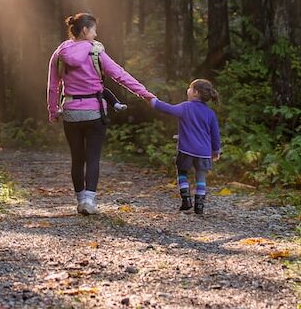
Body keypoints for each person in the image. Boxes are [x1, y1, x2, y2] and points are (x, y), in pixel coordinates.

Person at [47, 12, 156, 215]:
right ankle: (89, 200)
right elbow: (120, 75)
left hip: (71, 112)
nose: (96, 34)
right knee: (93, 157)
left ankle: (80, 201)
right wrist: (145, 94)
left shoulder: (60, 53)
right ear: (86, 30)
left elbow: (53, 86)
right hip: (94, 113)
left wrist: (53, 110)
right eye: (94, 30)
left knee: (77, 158)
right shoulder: (96, 52)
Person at [146, 79, 221, 216]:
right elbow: (215, 135)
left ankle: (186, 199)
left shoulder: (186, 107)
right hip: (203, 152)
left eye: (189, 88)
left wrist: (152, 101)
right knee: (201, 176)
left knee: (182, 172)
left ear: (195, 93)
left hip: (186, 150)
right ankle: (199, 205)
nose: (188, 90)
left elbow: (168, 109)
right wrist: (215, 151)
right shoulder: (210, 113)